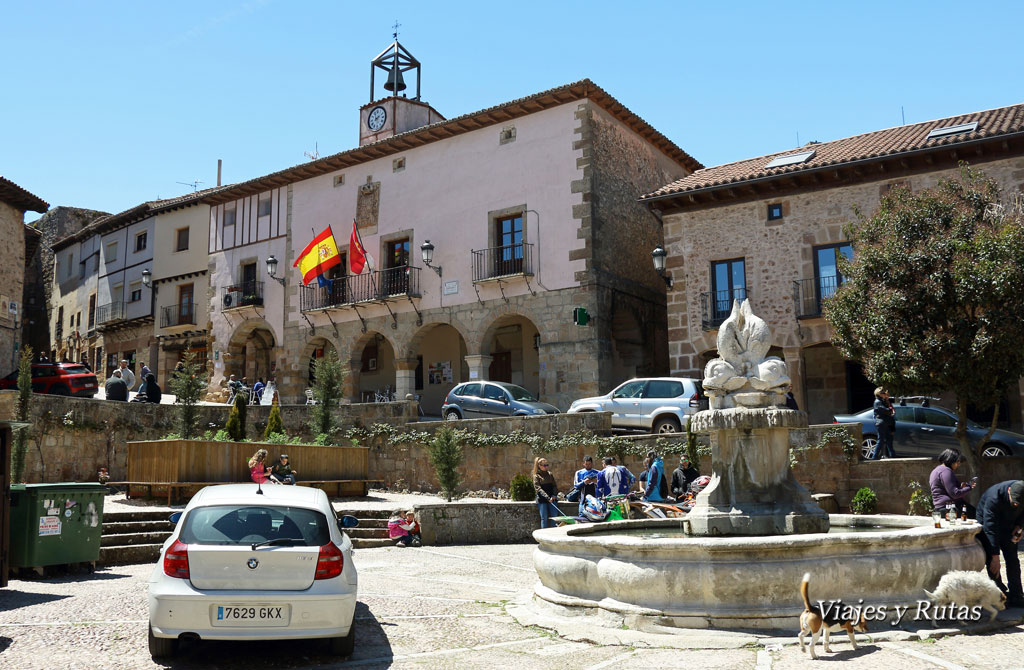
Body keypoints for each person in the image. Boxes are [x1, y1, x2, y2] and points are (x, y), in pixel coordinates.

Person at [975, 480, 1024, 607]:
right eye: (1013, 502)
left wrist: (1019, 527)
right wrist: (995, 556)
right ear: (1009, 491)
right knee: (992, 561)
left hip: (1009, 526)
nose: (1015, 506)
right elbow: (990, 528)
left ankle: (1016, 595)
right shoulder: (994, 497)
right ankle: (999, 595)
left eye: (1018, 504)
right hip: (988, 526)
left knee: (1013, 559)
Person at [929, 448, 975, 518]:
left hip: (941, 508)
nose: (959, 464)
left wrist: (961, 487)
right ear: (951, 460)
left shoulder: (936, 470)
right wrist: (969, 487)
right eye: (958, 461)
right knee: (979, 515)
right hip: (949, 509)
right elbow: (955, 494)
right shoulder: (946, 471)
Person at [533, 457, 560, 529]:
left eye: (547, 465)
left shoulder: (550, 474)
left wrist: (554, 495)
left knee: (554, 517)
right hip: (542, 499)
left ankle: (553, 535)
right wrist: (547, 497)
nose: (546, 467)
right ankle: (544, 536)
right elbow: (538, 489)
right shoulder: (536, 476)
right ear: (539, 466)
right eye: (544, 465)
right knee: (544, 518)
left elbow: (554, 486)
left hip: (552, 498)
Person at [870, 387, 896, 459]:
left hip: (886, 423)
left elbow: (889, 410)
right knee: (881, 440)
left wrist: (888, 403)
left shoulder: (883, 401)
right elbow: (885, 410)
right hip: (881, 423)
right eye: (883, 393)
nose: (885, 394)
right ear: (880, 394)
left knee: (889, 440)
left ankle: (892, 455)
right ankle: (874, 457)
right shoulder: (878, 402)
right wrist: (890, 409)